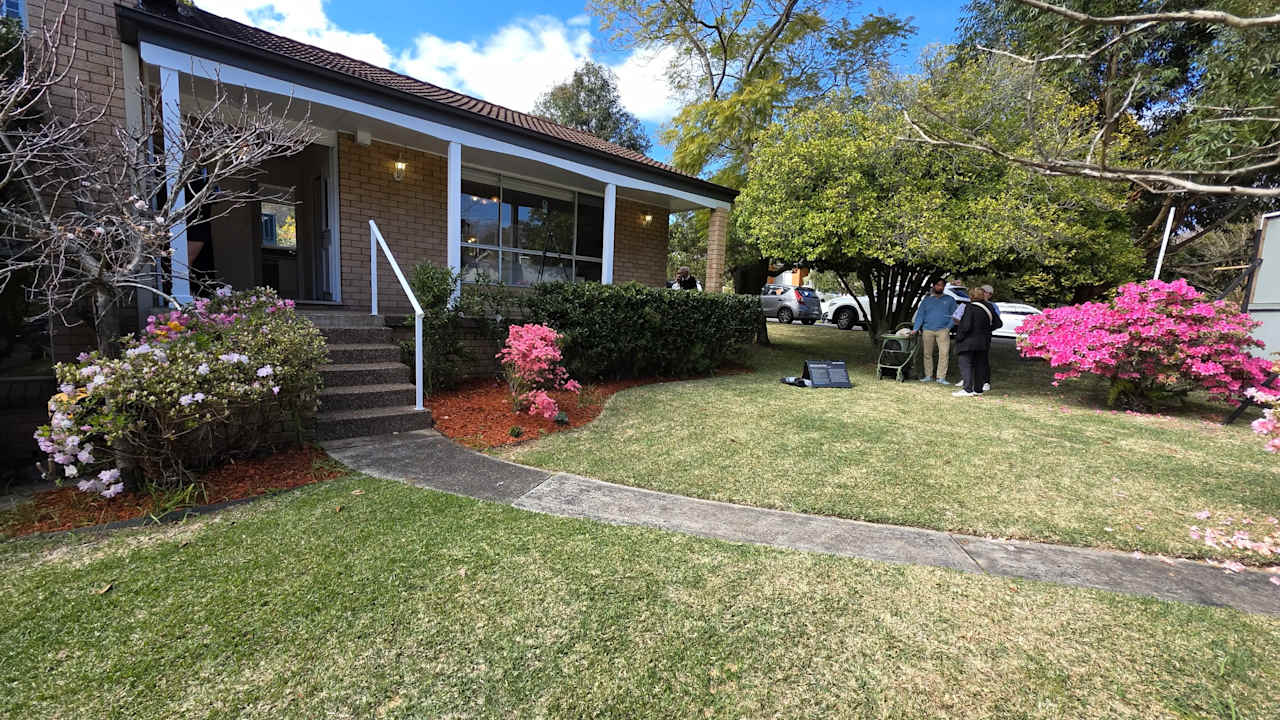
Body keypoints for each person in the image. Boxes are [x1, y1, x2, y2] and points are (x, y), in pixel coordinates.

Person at [952, 286, 1001, 397]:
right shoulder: (989, 307)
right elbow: (998, 323)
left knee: (965, 363)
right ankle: (978, 389)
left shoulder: (970, 308)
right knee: (979, 364)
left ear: (971, 296)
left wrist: (959, 337)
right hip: (983, 341)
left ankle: (967, 389)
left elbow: (966, 326)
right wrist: (986, 330)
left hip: (968, 341)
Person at [911, 279, 957, 385]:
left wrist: (948, 328)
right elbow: (920, 315)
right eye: (938, 285)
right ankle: (928, 376)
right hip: (927, 329)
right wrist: (916, 328)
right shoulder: (927, 300)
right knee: (927, 353)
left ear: (944, 287)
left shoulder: (950, 299)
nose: (939, 287)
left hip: (943, 330)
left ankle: (941, 377)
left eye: (942, 286)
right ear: (933, 286)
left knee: (944, 354)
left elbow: (955, 315)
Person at [978, 284, 1001, 391]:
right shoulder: (974, 303)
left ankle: (986, 381)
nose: (982, 293)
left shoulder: (993, 306)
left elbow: (996, 322)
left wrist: (987, 330)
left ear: (989, 294)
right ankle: (968, 379)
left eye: (984, 292)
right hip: (973, 335)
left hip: (984, 336)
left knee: (983, 358)